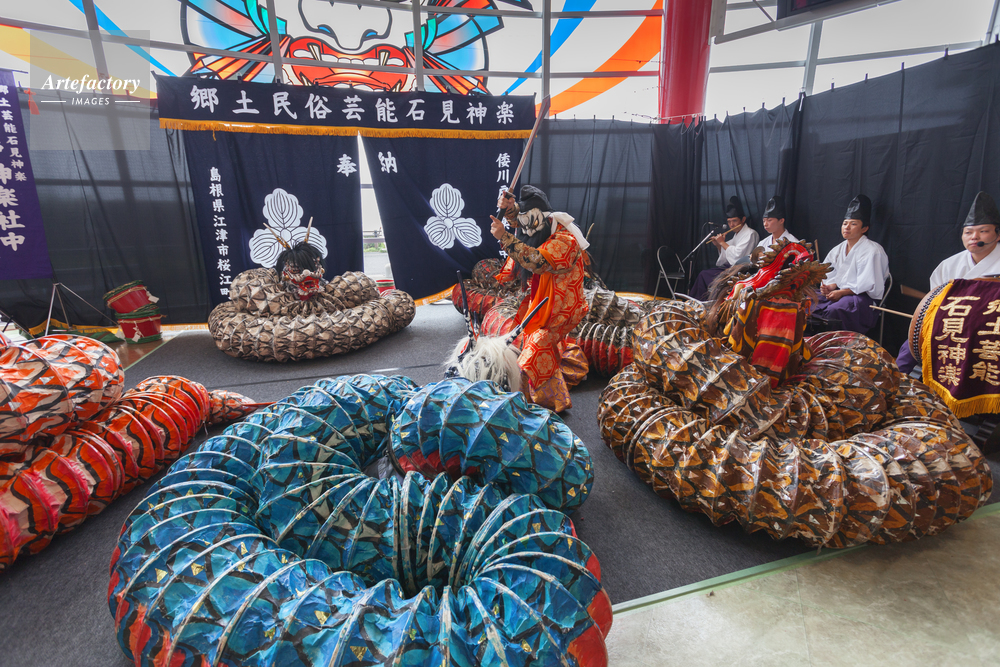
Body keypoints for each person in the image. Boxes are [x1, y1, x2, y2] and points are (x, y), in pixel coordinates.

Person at [489, 185, 590, 412]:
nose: (524, 229)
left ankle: (545, 403)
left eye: (529, 222)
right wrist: (509, 208)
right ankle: (557, 375)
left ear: (543, 218)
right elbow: (523, 223)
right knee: (525, 338)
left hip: (561, 308)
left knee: (537, 346)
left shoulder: (565, 239)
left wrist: (504, 237)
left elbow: (537, 261)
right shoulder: (542, 225)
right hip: (542, 301)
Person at [897, 191, 1000, 373]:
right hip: (953, 325)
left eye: (983, 231)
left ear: (997, 235)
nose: (974, 237)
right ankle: (897, 379)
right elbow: (935, 303)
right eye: (968, 232)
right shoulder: (949, 265)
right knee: (914, 341)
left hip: (990, 330)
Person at [811, 194, 889, 333]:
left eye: (853, 224)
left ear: (864, 228)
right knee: (809, 301)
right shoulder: (837, 249)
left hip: (861, 300)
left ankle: (835, 343)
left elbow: (869, 286)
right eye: (844, 223)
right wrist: (829, 287)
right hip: (839, 293)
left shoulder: (873, 251)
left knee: (834, 311)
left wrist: (842, 292)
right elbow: (831, 275)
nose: (847, 227)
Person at [690, 196, 759, 299]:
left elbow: (738, 256)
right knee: (703, 275)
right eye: (729, 221)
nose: (731, 225)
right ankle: (698, 303)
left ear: (743, 219)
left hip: (741, 271)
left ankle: (700, 302)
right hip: (730, 268)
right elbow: (726, 255)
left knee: (704, 275)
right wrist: (719, 245)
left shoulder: (751, 234)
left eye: (734, 221)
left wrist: (722, 243)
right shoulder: (736, 235)